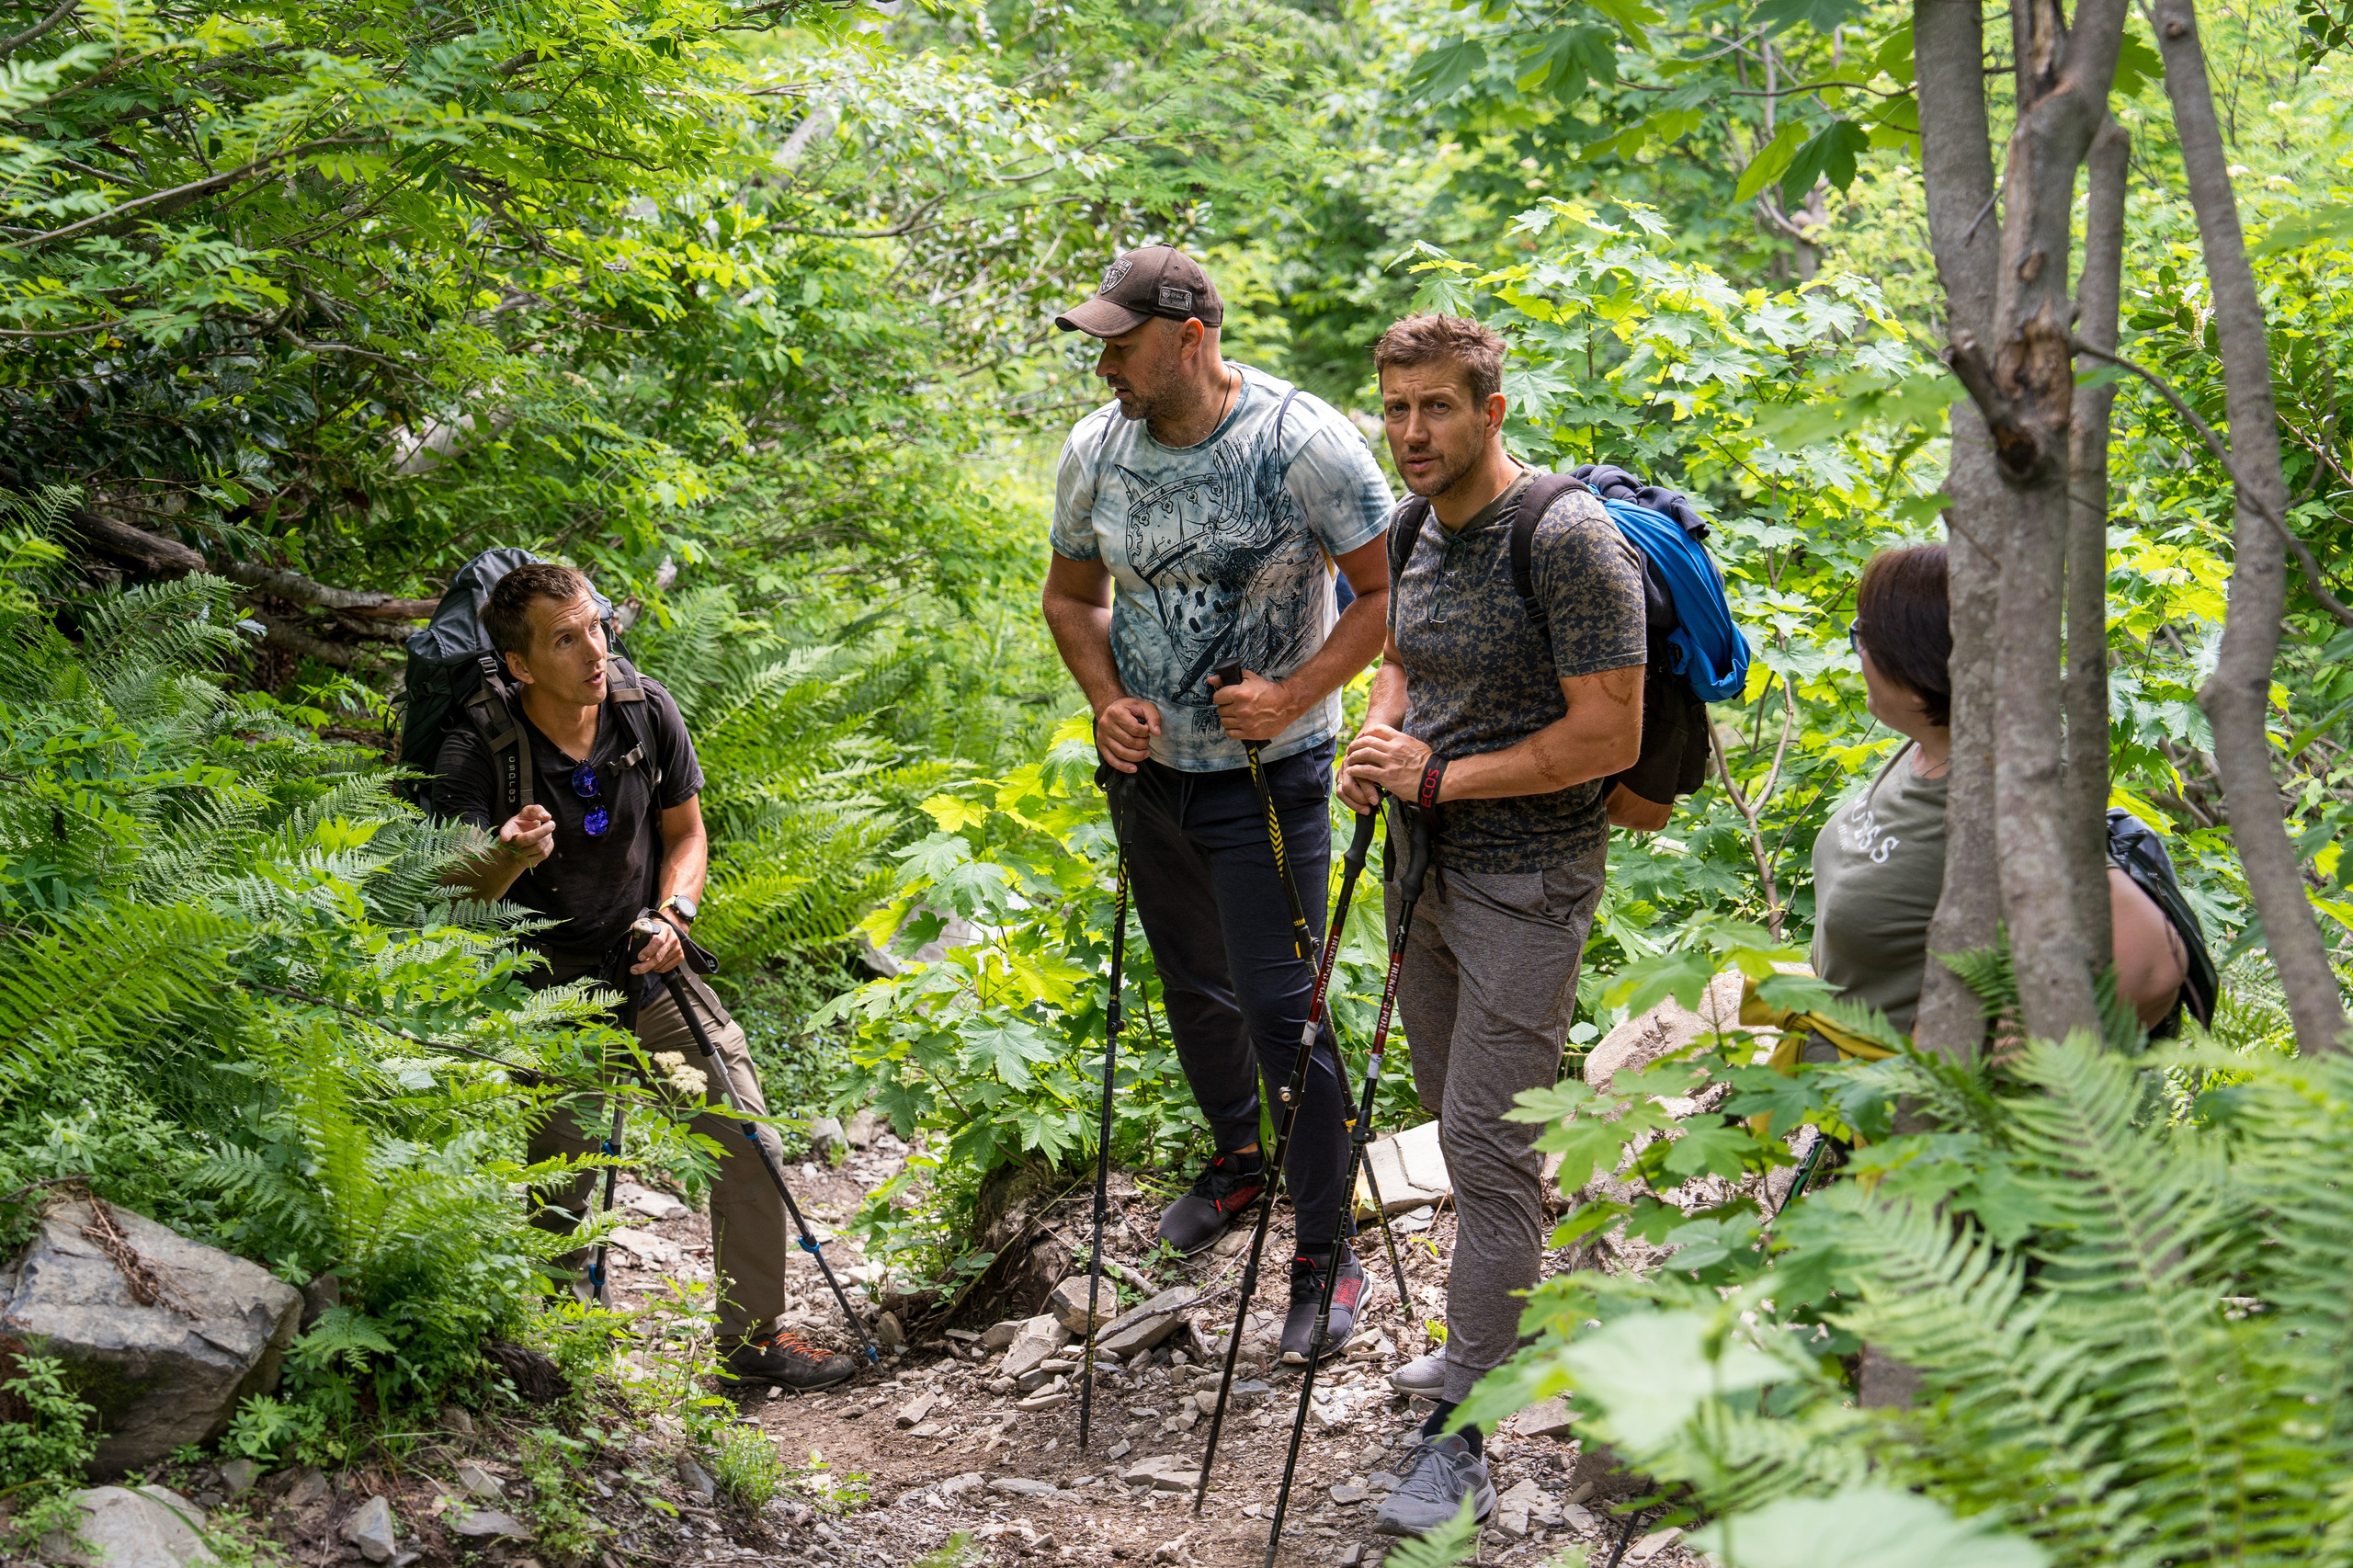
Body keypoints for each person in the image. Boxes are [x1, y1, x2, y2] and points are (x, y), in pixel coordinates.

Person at [1040, 246, 1395, 1361]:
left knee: (1282, 1008)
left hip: (1268, 774)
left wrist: (1294, 691)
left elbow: (1388, 592)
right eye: (1097, 341)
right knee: (1191, 984)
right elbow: (1069, 594)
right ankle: (1239, 1161)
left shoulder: (1304, 441)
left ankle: (1327, 1254)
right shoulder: (1094, 448)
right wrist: (1105, 702)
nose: (1104, 364)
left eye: (1120, 341)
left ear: (1188, 334)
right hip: (1150, 777)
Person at [1337, 312, 1648, 1535]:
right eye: (1397, 407)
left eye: (1437, 409)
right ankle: (1488, 1331)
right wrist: (1381, 736)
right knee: (1455, 1120)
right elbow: (1405, 658)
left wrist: (1437, 778)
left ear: (1491, 411)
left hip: (1529, 880)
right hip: (1426, 872)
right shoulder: (1415, 525)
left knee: (1486, 1138)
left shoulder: (1566, 540)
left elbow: (1608, 737)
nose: (1412, 432)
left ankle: (1464, 1426)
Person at [433, 562, 857, 1392]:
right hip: (545, 993)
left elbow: (688, 834)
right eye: (565, 638)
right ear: (520, 665)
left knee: (749, 1142)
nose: (594, 649)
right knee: (563, 1186)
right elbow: (449, 897)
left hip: (650, 972)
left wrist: (675, 915)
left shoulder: (642, 707)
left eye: (595, 625)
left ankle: (750, 1346)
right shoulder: (480, 748)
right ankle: (567, 1367)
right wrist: (507, 858)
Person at [1813, 543, 2189, 1036]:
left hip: (1915, 1105)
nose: (1857, 651)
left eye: (1863, 636)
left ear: (1915, 664)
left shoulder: (2012, 792)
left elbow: (2153, 966)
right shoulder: (1928, 750)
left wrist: (2016, 1066)